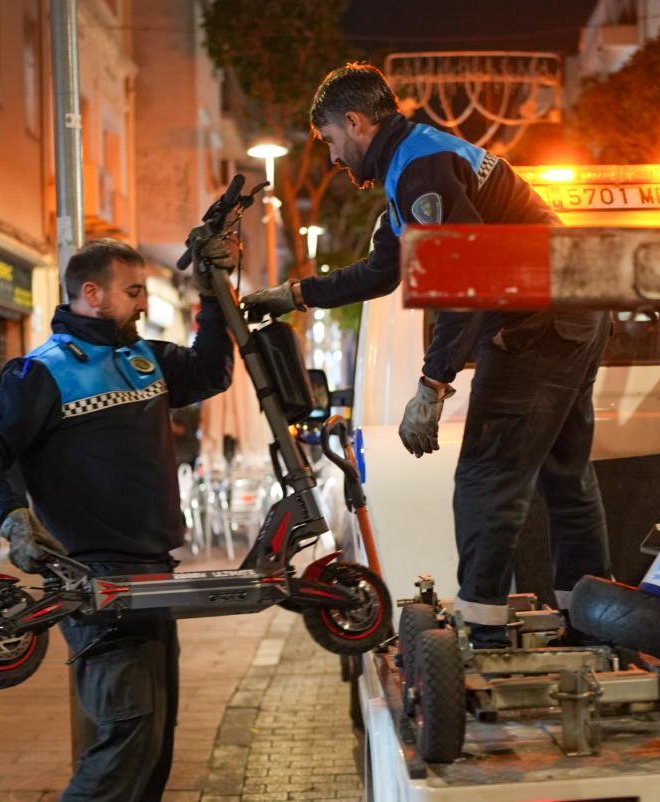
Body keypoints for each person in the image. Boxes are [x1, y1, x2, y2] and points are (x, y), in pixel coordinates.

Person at [243, 63, 613, 647]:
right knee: (565, 477)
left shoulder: (421, 170)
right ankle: (591, 621)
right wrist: (294, 295)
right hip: (573, 312)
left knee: (488, 476)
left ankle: (485, 629)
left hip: (537, 324)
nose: (335, 157)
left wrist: (432, 386)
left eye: (332, 141)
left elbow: (461, 285)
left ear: (355, 121)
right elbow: (384, 271)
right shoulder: (414, 164)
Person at [0, 236, 234, 801]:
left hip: (154, 573)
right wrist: (12, 519)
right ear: (90, 294)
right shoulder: (41, 372)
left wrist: (213, 292)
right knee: (129, 733)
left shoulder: (145, 358)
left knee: (153, 742)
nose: (143, 304)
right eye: (133, 292)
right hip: (91, 578)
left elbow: (210, 371)